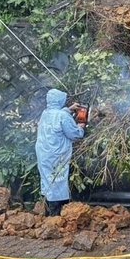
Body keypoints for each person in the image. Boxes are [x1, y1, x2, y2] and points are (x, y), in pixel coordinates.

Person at [35, 88, 85, 216]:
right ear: (60, 100)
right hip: (56, 156)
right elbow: (75, 135)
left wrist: (69, 109)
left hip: (44, 154)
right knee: (57, 182)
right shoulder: (63, 116)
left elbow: (56, 116)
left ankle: (47, 212)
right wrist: (80, 127)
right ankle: (55, 216)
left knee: (47, 181)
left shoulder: (45, 113)